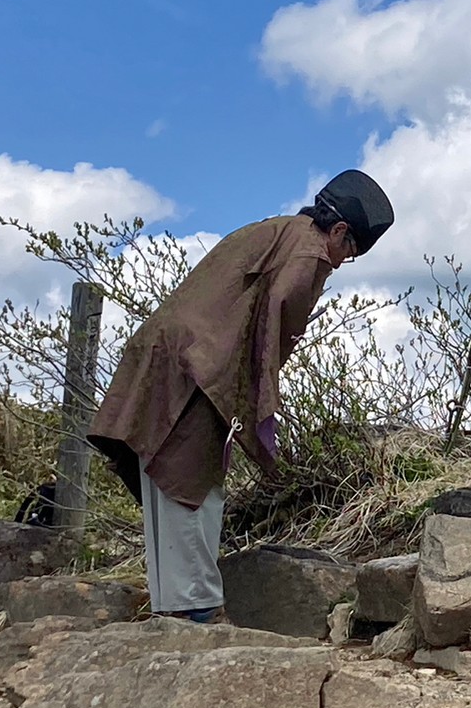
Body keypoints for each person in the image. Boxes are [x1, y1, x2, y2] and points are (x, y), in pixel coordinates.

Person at [88, 170, 394, 622]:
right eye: (348, 252)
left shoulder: (273, 230)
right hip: (200, 371)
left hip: (168, 359)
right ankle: (197, 610)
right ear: (340, 230)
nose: (340, 262)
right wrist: (259, 409)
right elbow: (275, 328)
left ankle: (178, 605)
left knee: (166, 477)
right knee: (189, 483)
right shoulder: (309, 253)